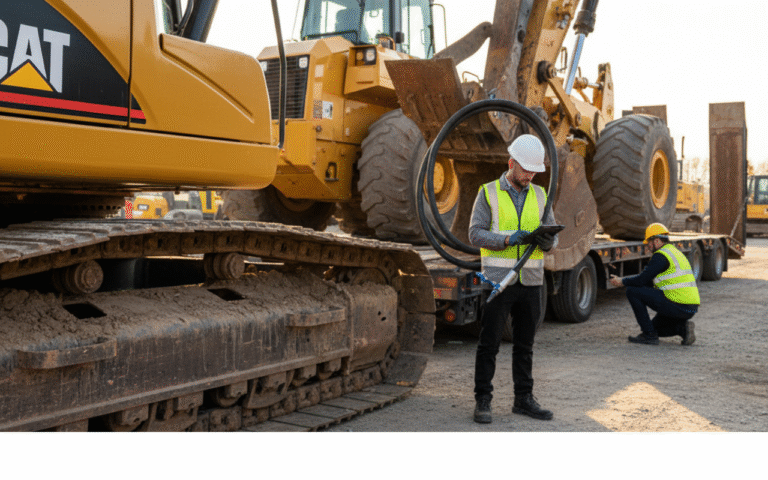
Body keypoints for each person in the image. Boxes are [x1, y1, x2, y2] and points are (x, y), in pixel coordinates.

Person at [468, 134, 558, 424]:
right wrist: (507, 239)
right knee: (489, 344)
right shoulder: (489, 192)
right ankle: (483, 400)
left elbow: (552, 237)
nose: (530, 175)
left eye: (534, 171)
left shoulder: (541, 195)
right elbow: (475, 233)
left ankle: (523, 399)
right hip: (499, 280)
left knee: (525, 345)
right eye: (526, 170)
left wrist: (547, 243)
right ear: (511, 163)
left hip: (531, 282)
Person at [609, 223, 699, 346]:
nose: (648, 246)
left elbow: (642, 280)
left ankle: (649, 336)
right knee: (653, 327)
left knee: (632, 291)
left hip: (677, 303)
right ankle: (683, 330)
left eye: (649, 242)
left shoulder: (661, 256)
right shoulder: (674, 252)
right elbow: (649, 282)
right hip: (689, 307)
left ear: (656, 241)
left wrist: (622, 281)